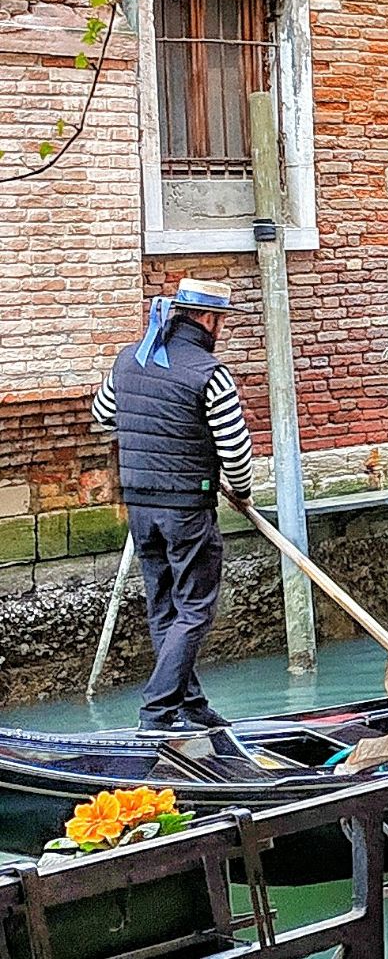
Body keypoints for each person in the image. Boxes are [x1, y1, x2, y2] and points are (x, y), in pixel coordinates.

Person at [91, 279, 254, 733]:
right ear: (207, 319)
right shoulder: (209, 372)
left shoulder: (128, 359)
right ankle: (158, 714)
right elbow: (235, 449)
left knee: (164, 606)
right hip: (186, 508)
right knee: (195, 608)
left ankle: (190, 705)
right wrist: (241, 491)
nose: (220, 329)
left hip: (140, 506)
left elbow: (104, 414)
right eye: (220, 320)